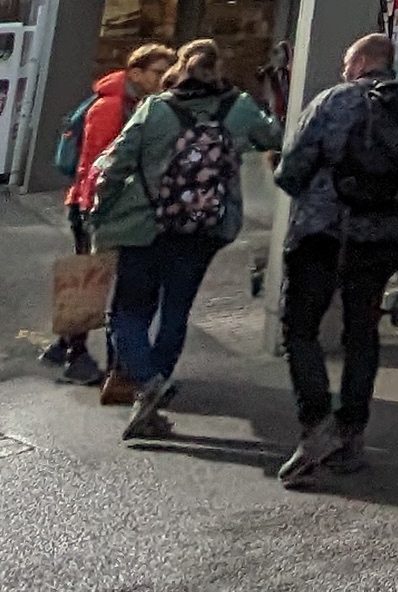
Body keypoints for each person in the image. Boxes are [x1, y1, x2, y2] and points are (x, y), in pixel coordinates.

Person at [273, 29, 398, 486]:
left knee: (301, 329)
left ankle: (316, 425)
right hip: (385, 236)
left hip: (324, 231)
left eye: (348, 61)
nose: (344, 69)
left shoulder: (336, 101)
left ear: (364, 61)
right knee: (362, 331)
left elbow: (292, 168)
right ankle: (352, 432)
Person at [87, 37, 275, 441]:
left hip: (146, 225)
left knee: (128, 311)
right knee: (176, 312)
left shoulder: (156, 108)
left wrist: (99, 213)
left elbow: (116, 164)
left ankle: (149, 382)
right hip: (204, 228)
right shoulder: (240, 107)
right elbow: (275, 137)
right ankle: (149, 402)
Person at [43, 39, 171, 382]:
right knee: (90, 279)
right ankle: (76, 355)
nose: (164, 78)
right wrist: (93, 207)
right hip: (93, 205)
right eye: (158, 72)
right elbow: (95, 164)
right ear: (136, 71)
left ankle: (67, 344)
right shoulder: (112, 106)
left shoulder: (137, 103)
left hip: (102, 203)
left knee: (93, 277)